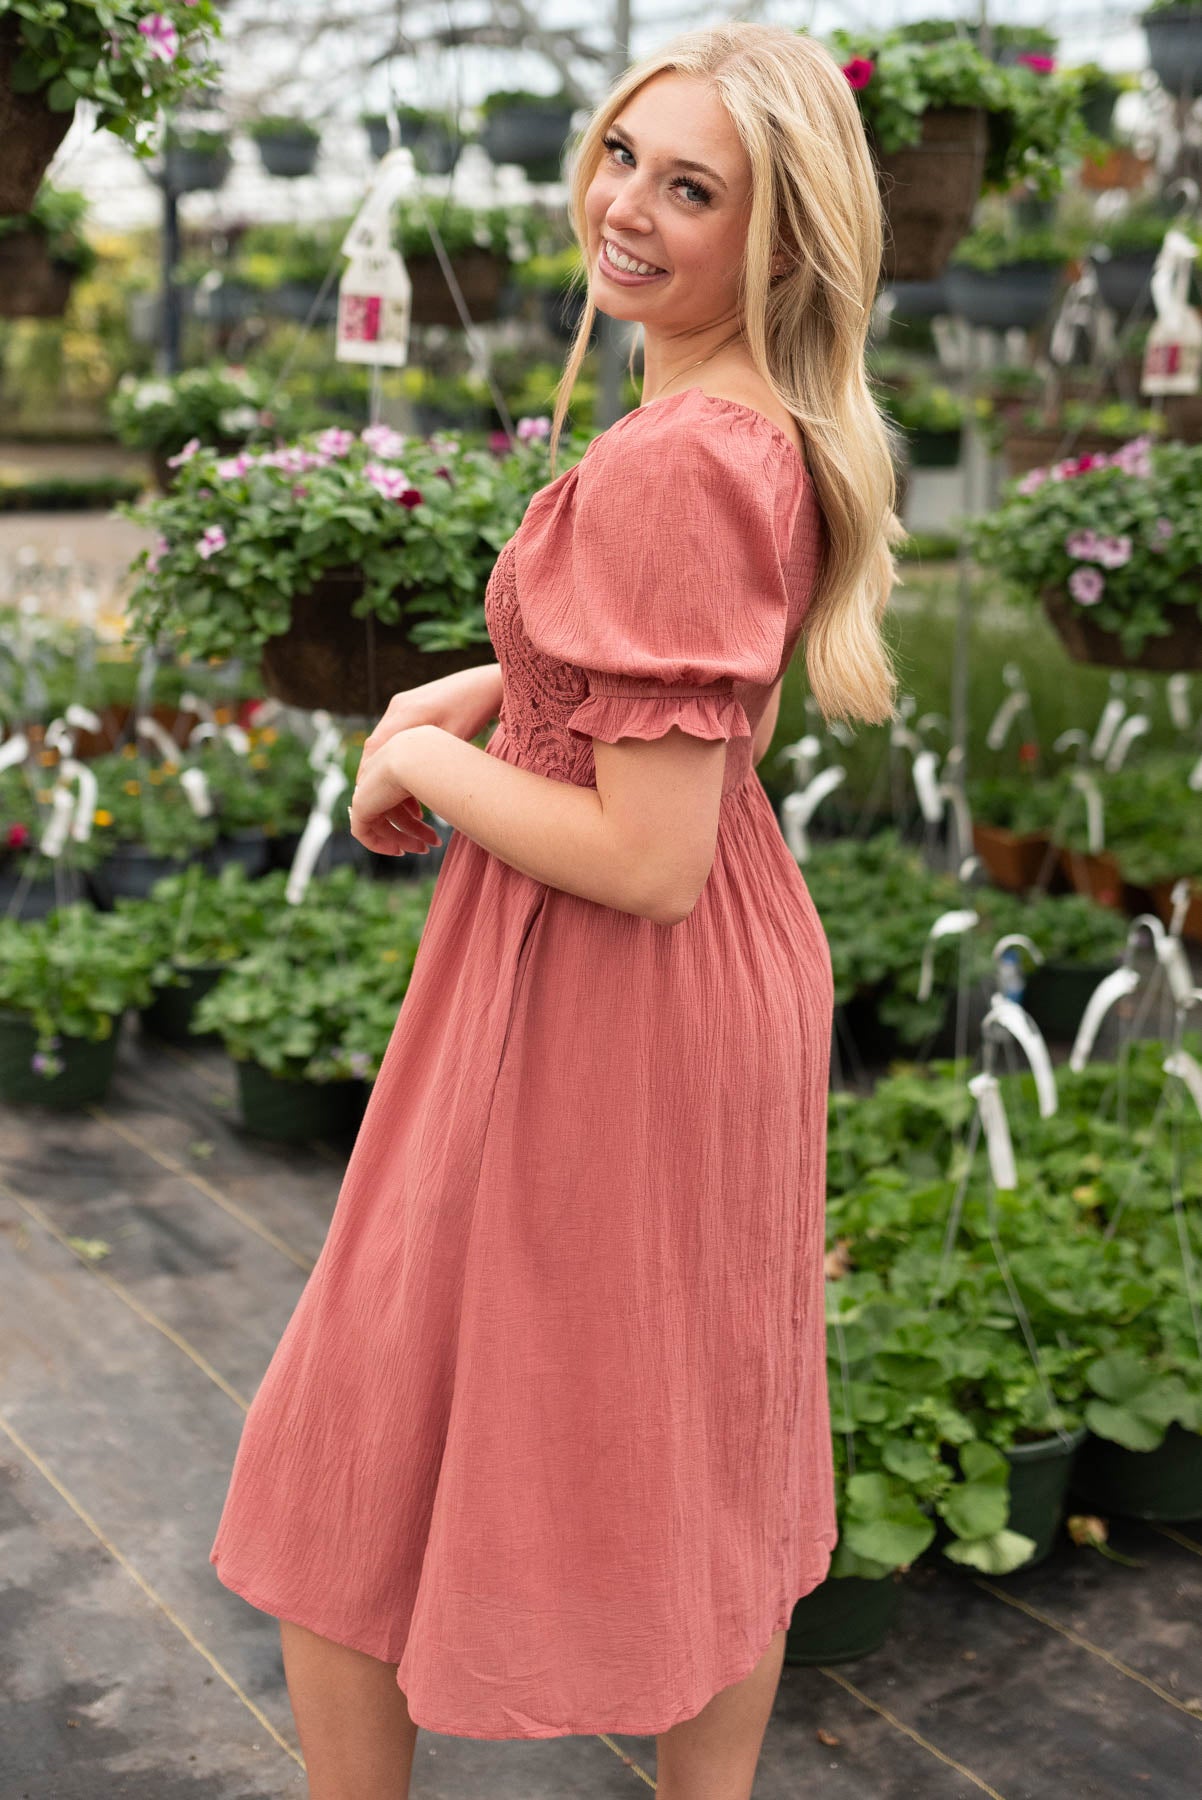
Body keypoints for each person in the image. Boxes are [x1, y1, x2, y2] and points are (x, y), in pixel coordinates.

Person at [209, 19, 901, 1799]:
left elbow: (641, 854)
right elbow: (648, 699)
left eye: (693, 190)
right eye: (622, 158)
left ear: (778, 238)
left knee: (347, 1439)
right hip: (700, 975)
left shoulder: (679, 456)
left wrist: (414, 764)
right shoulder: (739, 422)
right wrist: (466, 693)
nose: (631, 209)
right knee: (701, 1428)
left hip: (608, 983)